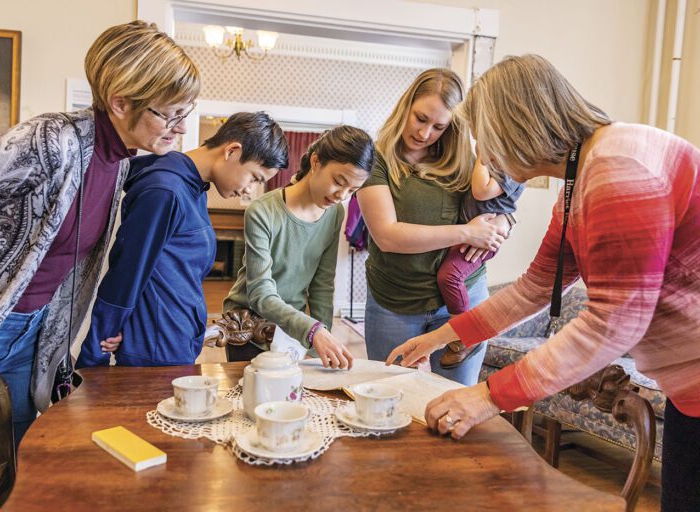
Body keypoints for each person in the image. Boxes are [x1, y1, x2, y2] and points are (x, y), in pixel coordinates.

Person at [386, 54, 700, 511]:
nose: (486, 158)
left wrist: (488, 396)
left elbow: (614, 324)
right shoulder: (582, 177)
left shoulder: (618, 170)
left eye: (485, 142)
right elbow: (534, 288)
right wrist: (439, 337)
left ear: (516, 126)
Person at [0, 21, 200, 512]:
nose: (181, 126)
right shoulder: (46, 141)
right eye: (173, 114)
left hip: (26, 337)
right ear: (121, 103)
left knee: (5, 471)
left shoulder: (118, 159)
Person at [77, 112, 287, 368]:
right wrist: (97, 349)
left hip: (174, 342)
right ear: (232, 150)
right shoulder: (166, 191)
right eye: (255, 177)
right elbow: (127, 272)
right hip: (154, 349)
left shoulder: (194, 187)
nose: (249, 190)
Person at [356, 68, 508, 384]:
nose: (425, 133)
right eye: (420, 119)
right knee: (388, 397)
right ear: (406, 106)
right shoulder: (376, 158)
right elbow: (387, 236)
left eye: (439, 126)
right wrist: (467, 232)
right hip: (394, 302)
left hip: (463, 298)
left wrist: (504, 223)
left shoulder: (467, 160)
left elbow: (500, 202)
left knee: (456, 399)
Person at [223, 125, 376, 369]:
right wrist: (313, 331)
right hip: (248, 327)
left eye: (352, 190)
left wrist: (318, 345)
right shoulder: (263, 211)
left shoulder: (334, 213)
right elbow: (260, 293)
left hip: (292, 331)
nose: (342, 195)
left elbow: (322, 286)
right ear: (316, 162)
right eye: (339, 181)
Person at [434, 159, 524, 362]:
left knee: (449, 276)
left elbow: (481, 191)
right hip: (469, 232)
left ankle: (465, 336)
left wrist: (482, 156)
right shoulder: (496, 162)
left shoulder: (514, 166)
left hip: (486, 236)